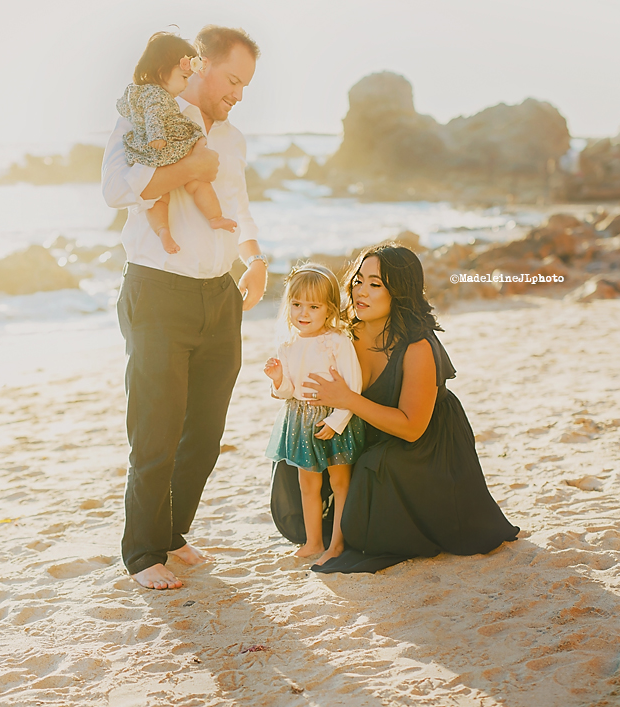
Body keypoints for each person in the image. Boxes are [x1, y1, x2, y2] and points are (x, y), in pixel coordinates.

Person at [102, 25, 266, 590]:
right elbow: (117, 189)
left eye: (246, 85)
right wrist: (189, 171)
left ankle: (171, 532)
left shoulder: (235, 139)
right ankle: (143, 552)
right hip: (157, 290)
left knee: (204, 430)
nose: (239, 94)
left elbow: (238, 204)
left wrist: (254, 256)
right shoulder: (147, 115)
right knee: (157, 427)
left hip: (220, 295)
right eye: (234, 80)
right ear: (199, 66)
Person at [293, 244, 520, 574]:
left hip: (425, 445)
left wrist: (347, 400)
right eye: (358, 281)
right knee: (302, 449)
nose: (361, 292)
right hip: (368, 427)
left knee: (376, 466)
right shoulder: (344, 333)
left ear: (398, 292)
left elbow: (412, 426)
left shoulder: (417, 346)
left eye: (376, 284)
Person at [263, 265, 365, 565]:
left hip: (334, 418)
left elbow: (353, 386)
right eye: (296, 304)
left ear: (329, 309)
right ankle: (313, 541)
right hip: (299, 419)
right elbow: (287, 392)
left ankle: (337, 542)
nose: (302, 313)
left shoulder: (337, 342)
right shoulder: (287, 344)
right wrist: (278, 378)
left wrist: (336, 421)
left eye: (313, 306)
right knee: (307, 484)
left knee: (339, 483)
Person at [116, 32, 237, 256]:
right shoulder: (155, 95)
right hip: (161, 147)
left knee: (157, 200)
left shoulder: (139, 94)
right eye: (183, 78)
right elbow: (152, 116)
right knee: (197, 182)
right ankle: (215, 217)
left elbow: (126, 109)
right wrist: (156, 137)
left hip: (148, 156)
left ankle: (163, 231)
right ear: (162, 73)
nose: (185, 85)